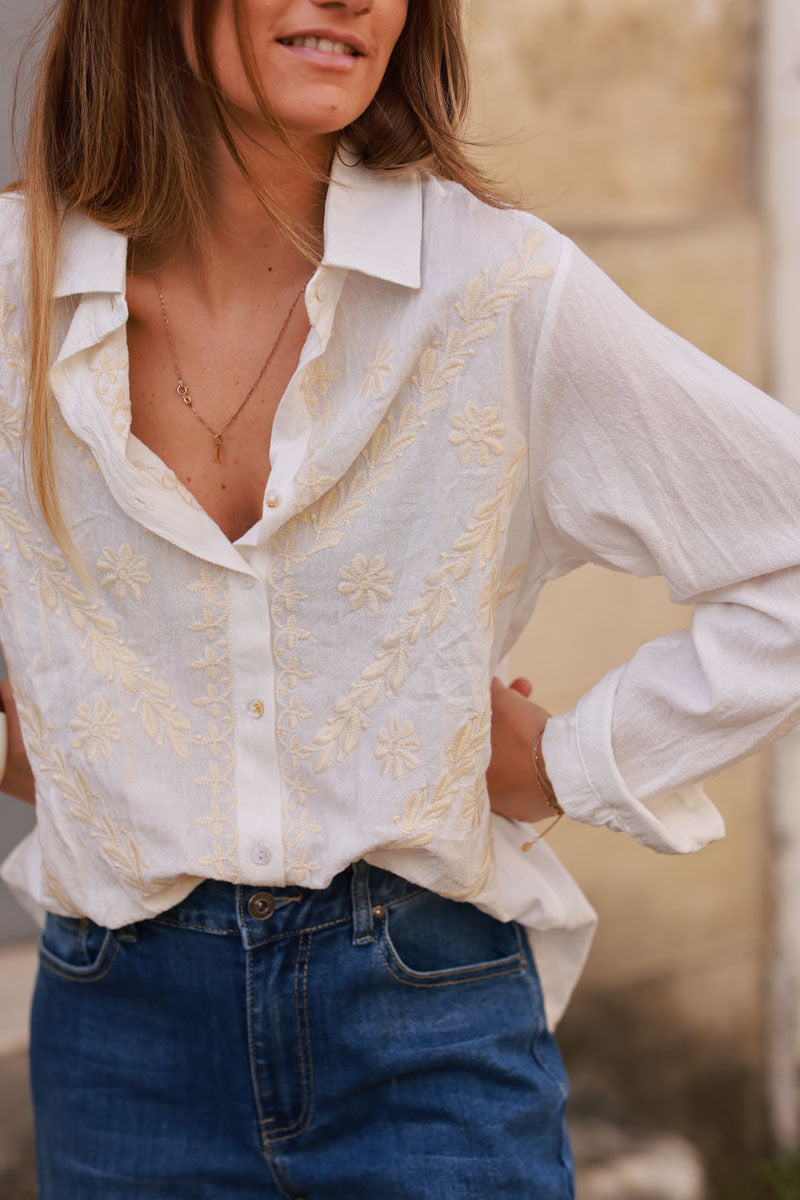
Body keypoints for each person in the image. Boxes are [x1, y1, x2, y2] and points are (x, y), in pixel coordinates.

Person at [1, 0, 799, 1196]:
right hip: (120, 1042)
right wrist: (55, 741)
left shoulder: (490, 289)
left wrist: (574, 761)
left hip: (425, 1024)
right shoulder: (17, 287)